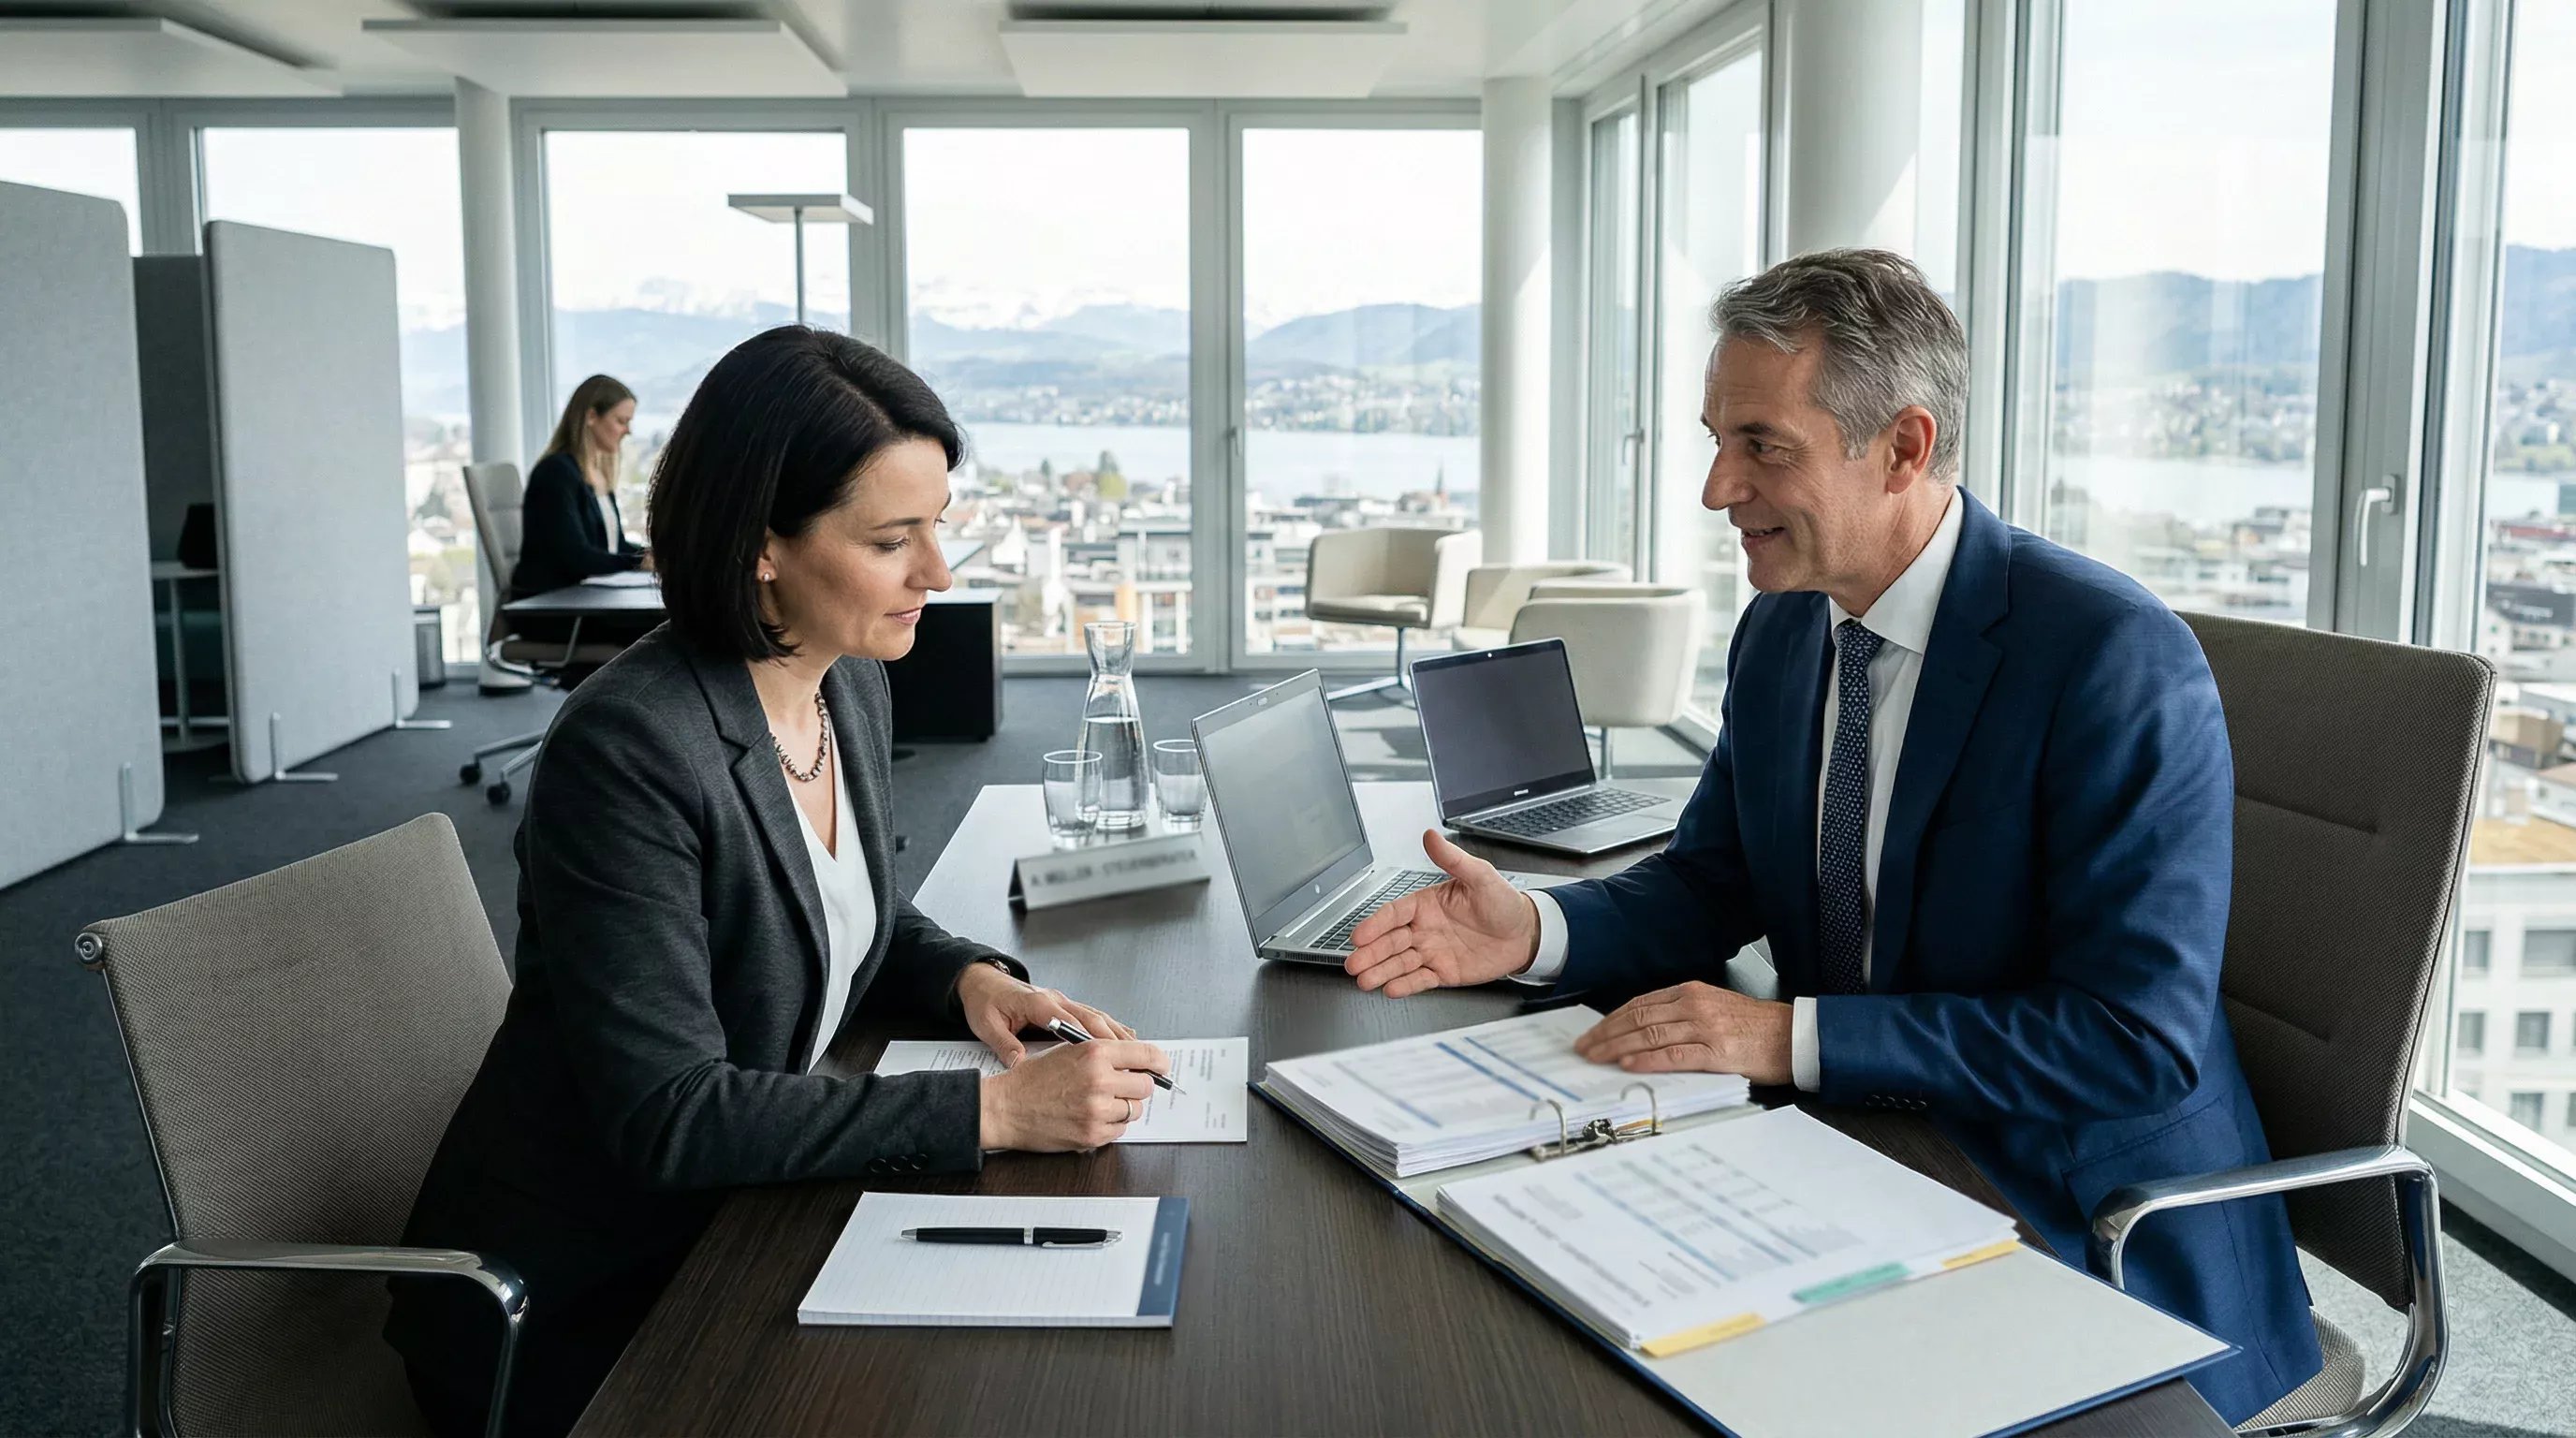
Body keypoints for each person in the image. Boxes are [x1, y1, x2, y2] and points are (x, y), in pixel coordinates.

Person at [1340, 250, 2321, 1423]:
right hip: (1849, 1151)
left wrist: (1784, 1036)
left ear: (1902, 448)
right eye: (1714, 439)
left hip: (2078, 1216)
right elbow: (1713, 882)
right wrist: (1534, 930)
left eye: (1762, 446)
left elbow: (2127, 1041)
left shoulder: (2107, 658)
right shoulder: (1786, 633)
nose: (1714, 489)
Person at [387, 328, 1172, 1436]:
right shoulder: (629, 750)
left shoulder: (842, 680)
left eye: (936, 528)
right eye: (894, 539)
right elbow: (670, 1117)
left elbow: (847, 914)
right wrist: (991, 1111)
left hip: (751, 1210)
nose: (937, 573)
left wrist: (966, 982)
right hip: (600, 1293)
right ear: (764, 546)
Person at [511, 374, 649, 598]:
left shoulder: (600, 473)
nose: (628, 431)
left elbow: (614, 547)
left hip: (585, 598)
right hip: (555, 604)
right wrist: (638, 561)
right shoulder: (556, 472)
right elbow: (576, 558)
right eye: (621, 421)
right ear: (592, 416)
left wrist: (650, 555)